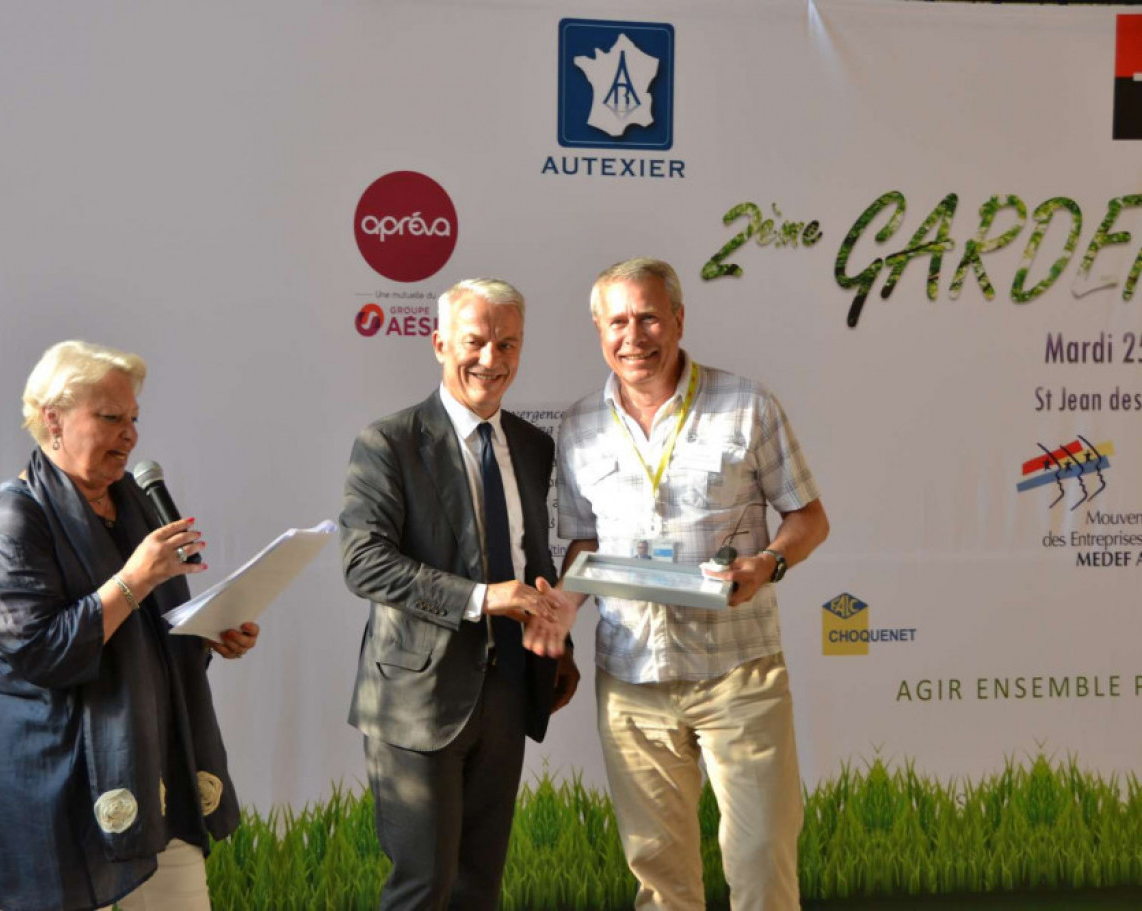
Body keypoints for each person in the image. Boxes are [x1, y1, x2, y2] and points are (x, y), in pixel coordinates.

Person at [555, 258, 829, 911]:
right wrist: (560, 610)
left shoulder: (748, 405)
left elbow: (809, 517)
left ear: (679, 318)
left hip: (739, 669)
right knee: (659, 872)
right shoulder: (579, 424)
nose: (635, 335)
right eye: (617, 320)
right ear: (598, 329)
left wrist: (766, 564)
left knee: (762, 860)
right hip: (631, 678)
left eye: (649, 315)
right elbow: (585, 543)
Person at [0, 340, 260, 911]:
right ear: (52, 419)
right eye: (110, 418)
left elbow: (149, 635)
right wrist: (133, 579)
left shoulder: (136, 506)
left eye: (133, 419)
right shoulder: (11, 521)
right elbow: (40, 653)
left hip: (154, 771)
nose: (130, 435)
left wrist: (208, 634)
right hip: (57, 792)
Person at [339, 278, 579, 910]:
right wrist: (481, 598)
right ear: (439, 342)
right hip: (416, 698)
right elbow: (363, 564)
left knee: (479, 889)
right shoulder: (388, 442)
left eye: (507, 344)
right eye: (475, 342)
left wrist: (559, 641)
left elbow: (533, 558)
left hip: (509, 689)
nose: (491, 360)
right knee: (422, 888)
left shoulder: (532, 444)